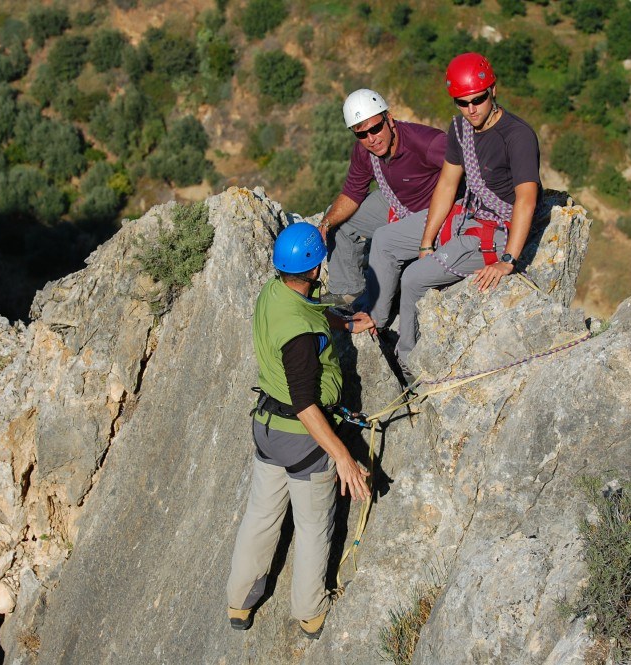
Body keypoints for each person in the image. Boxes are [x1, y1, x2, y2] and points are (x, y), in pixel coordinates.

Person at [226, 222, 373, 639]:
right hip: (302, 438)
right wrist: (343, 457)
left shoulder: (274, 292)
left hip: (267, 428)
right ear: (315, 267)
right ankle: (310, 612)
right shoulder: (299, 341)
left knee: (260, 517)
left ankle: (240, 601)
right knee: (312, 528)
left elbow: (309, 310)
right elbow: (306, 404)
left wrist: (345, 324)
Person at [363, 53, 542, 372]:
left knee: (414, 278)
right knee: (385, 239)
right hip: (465, 213)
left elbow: (526, 199)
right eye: (462, 102)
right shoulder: (461, 128)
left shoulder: (518, 136)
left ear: (493, 91)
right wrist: (426, 242)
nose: (471, 109)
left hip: (495, 231)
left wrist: (509, 260)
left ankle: (407, 363)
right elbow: (447, 184)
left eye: (478, 99)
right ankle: (375, 323)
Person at [317, 88, 448, 306]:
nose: (371, 139)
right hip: (399, 201)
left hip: (433, 212)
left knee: (384, 241)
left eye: (376, 128)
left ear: (389, 119)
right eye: (361, 134)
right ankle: (347, 292)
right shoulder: (364, 152)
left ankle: (375, 313)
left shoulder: (427, 142)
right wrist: (325, 224)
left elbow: (470, 170)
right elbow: (352, 192)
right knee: (338, 219)